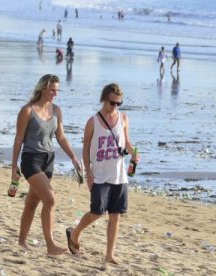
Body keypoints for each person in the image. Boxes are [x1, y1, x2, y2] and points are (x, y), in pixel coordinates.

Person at [67, 83, 139, 265]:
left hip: (119, 176)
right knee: (97, 212)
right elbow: (85, 151)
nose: (115, 106)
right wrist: (88, 173)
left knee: (116, 216)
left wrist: (134, 153)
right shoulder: (93, 121)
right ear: (104, 99)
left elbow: (127, 143)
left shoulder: (123, 118)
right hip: (99, 175)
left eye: (118, 103)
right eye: (112, 103)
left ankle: (109, 255)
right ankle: (75, 233)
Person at [11, 74, 80, 256]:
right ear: (42, 88)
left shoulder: (56, 110)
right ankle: (50, 245)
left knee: (32, 203)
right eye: (52, 90)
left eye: (57, 90)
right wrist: (13, 167)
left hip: (48, 160)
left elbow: (61, 137)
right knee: (50, 199)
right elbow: (18, 139)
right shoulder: (27, 110)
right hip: (31, 160)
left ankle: (21, 241)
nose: (55, 94)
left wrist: (73, 157)